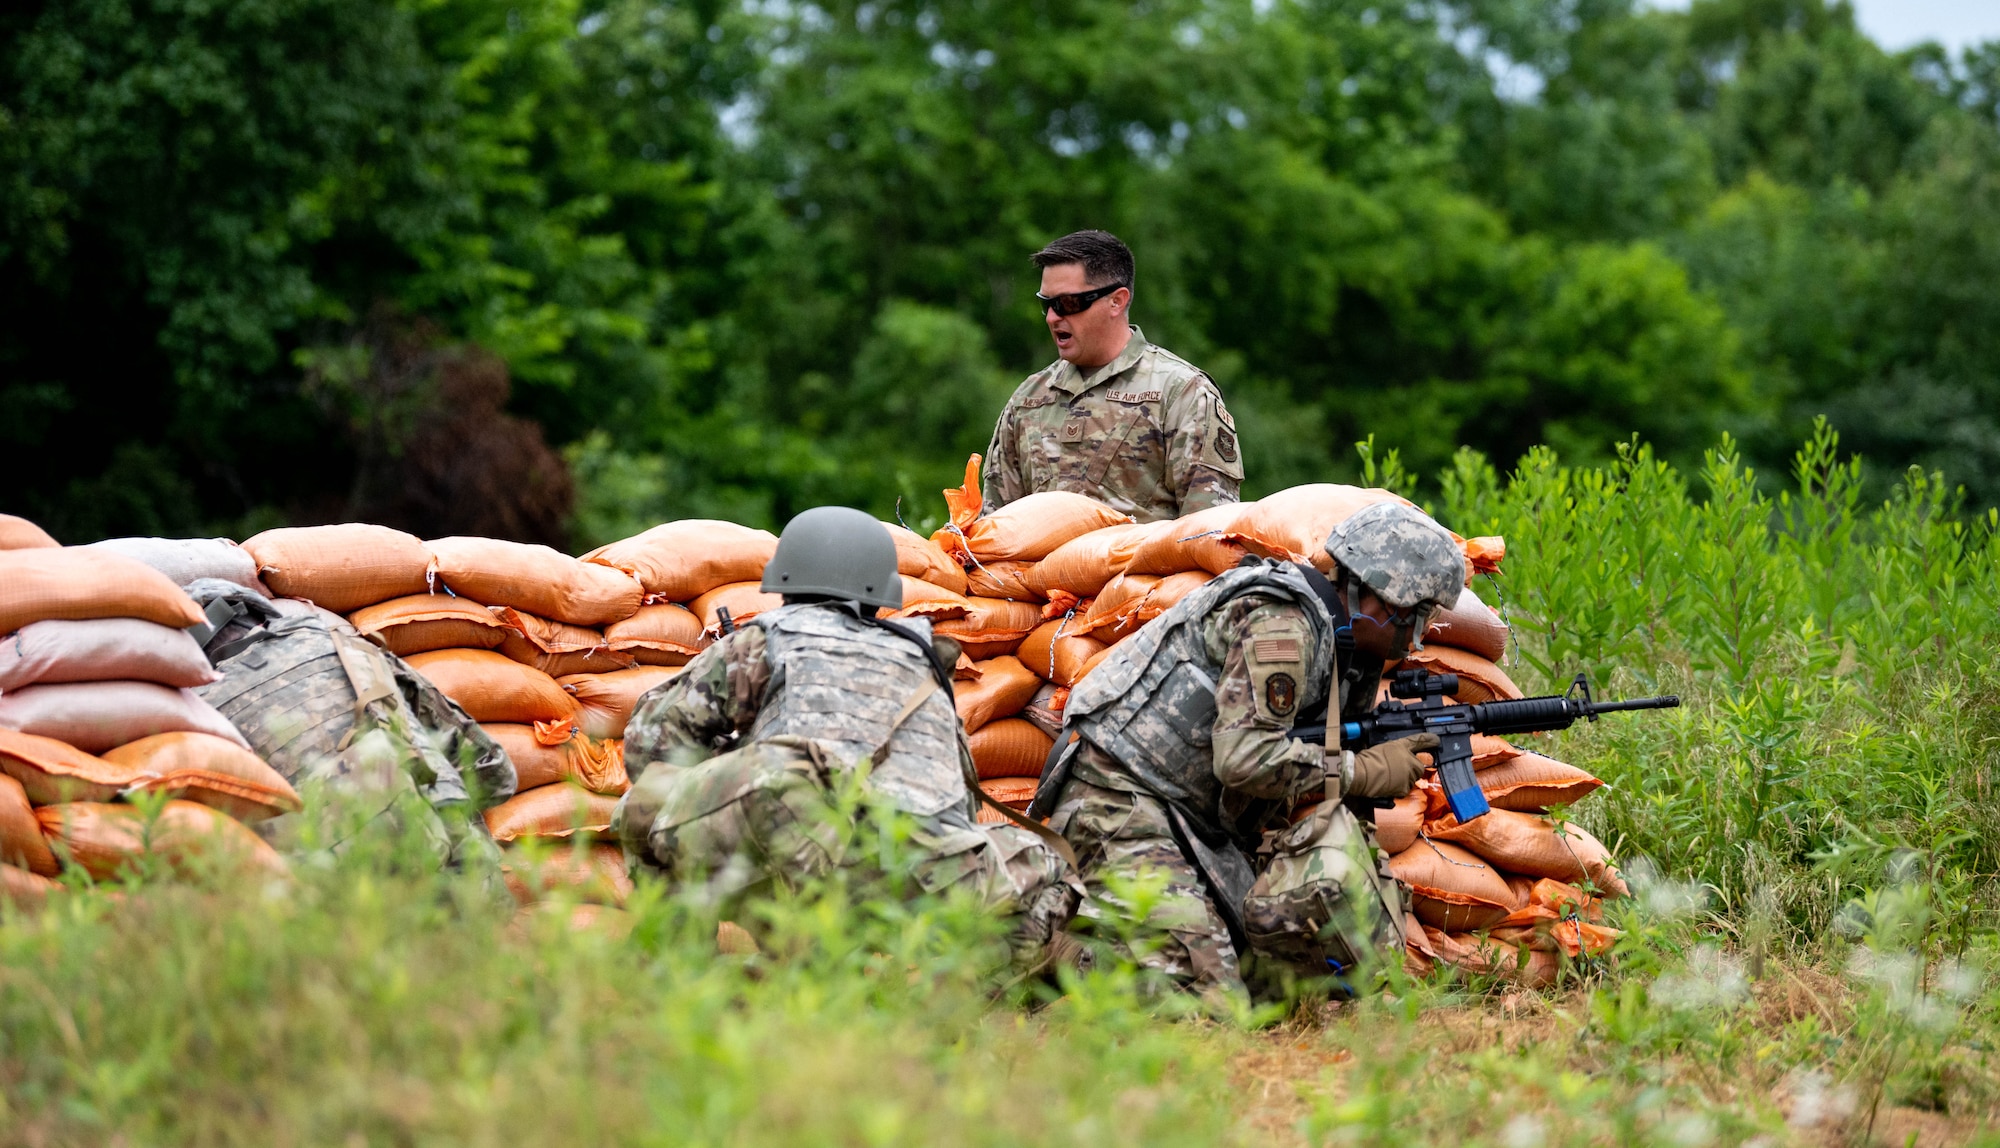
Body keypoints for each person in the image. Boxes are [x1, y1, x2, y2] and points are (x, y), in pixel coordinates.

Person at [1025, 503, 1468, 1004]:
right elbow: (1243, 759)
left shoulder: (1341, 644)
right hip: (1119, 799)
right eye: (1421, 614)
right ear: (1385, 600)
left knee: (1271, 986)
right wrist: (1359, 770)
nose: (1417, 635)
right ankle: (1028, 947)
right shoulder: (1283, 624)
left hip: (1193, 821)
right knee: (1202, 1001)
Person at [615, 506, 1080, 968]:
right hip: (931, 876)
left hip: (819, 860)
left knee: (647, 801)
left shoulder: (767, 638)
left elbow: (650, 744)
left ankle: (683, 968)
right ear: (881, 596)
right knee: (1039, 863)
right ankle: (952, 995)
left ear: (785, 582)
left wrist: (734, 759)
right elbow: (957, 794)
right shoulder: (922, 660)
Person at [982, 230, 1242, 523]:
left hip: (1145, 568)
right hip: (1038, 570)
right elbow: (996, 527)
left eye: (1067, 304)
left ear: (1116, 301)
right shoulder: (1029, 398)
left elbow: (1210, 530)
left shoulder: (1181, 392)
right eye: (1047, 304)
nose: (1053, 317)